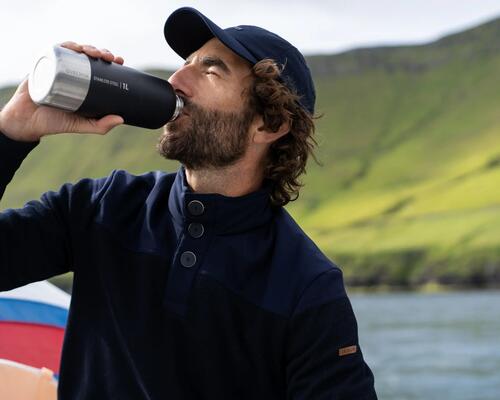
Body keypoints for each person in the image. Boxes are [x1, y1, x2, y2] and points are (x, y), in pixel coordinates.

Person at [0, 6, 377, 400]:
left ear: (269, 124)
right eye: (184, 64)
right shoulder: (104, 206)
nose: (175, 80)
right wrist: (11, 131)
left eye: (211, 70)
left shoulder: (307, 286)